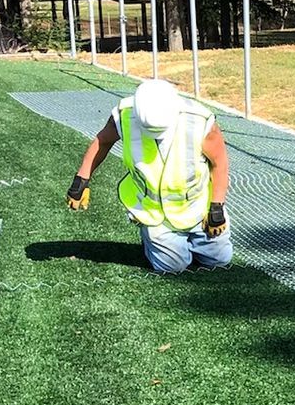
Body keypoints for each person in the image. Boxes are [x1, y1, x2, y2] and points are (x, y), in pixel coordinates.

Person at [66, 78, 232, 274]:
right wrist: (81, 181)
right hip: (155, 213)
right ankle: (154, 239)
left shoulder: (199, 121)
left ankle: (193, 242)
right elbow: (102, 142)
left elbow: (219, 163)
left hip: (197, 206)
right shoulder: (124, 117)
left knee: (219, 262)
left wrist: (216, 207)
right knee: (172, 268)